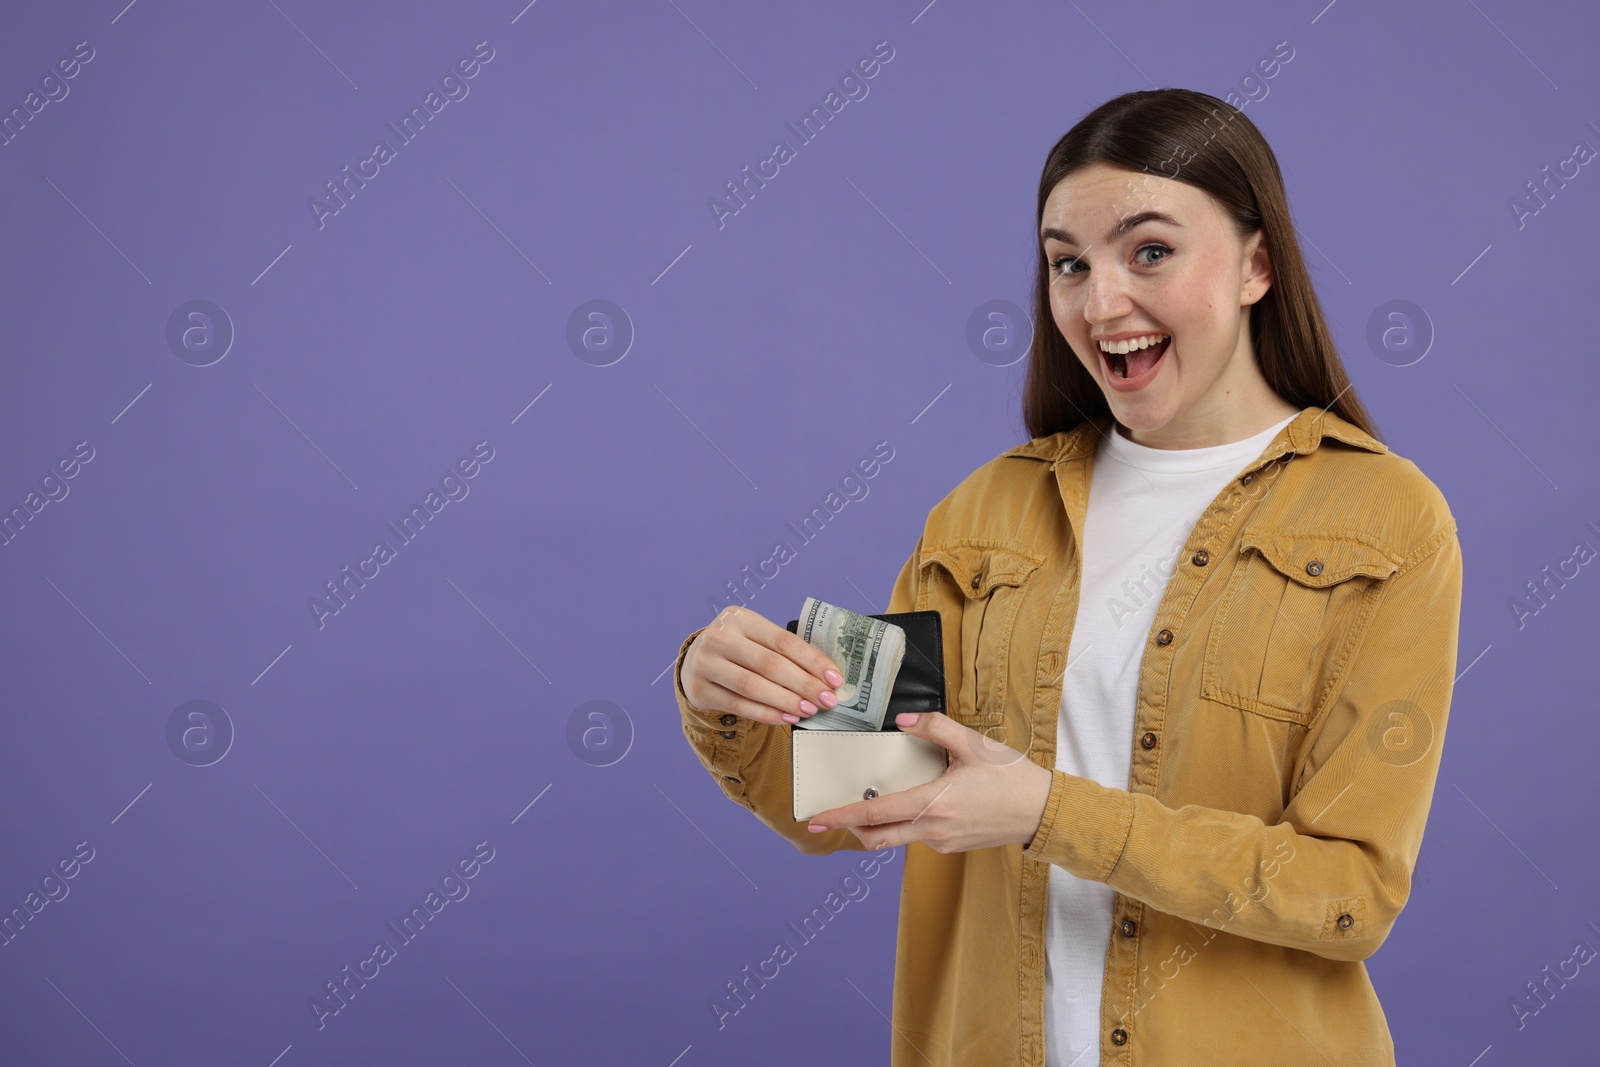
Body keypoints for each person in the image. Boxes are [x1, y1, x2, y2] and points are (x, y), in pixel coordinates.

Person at [672, 88, 1462, 1067]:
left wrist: (1050, 812)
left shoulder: (1386, 518)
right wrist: (730, 693)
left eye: (1151, 252)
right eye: (1067, 264)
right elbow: (857, 789)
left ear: (1258, 264)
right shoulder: (984, 512)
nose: (1100, 303)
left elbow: (1348, 890)